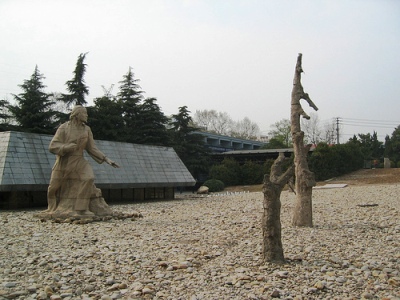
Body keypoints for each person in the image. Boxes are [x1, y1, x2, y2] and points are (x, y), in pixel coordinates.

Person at [46, 105, 119, 216]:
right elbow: (52, 146)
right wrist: (66, 147)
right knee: (53, 187)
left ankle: (81, 208)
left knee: (89, 178)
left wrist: (106, 159)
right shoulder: (64, 127)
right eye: (84, 113)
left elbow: (91, 148)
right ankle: (52, 208)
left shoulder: (87, 129)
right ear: (77, 114)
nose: (87, 115)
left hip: (79, 160)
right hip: (64, 161)